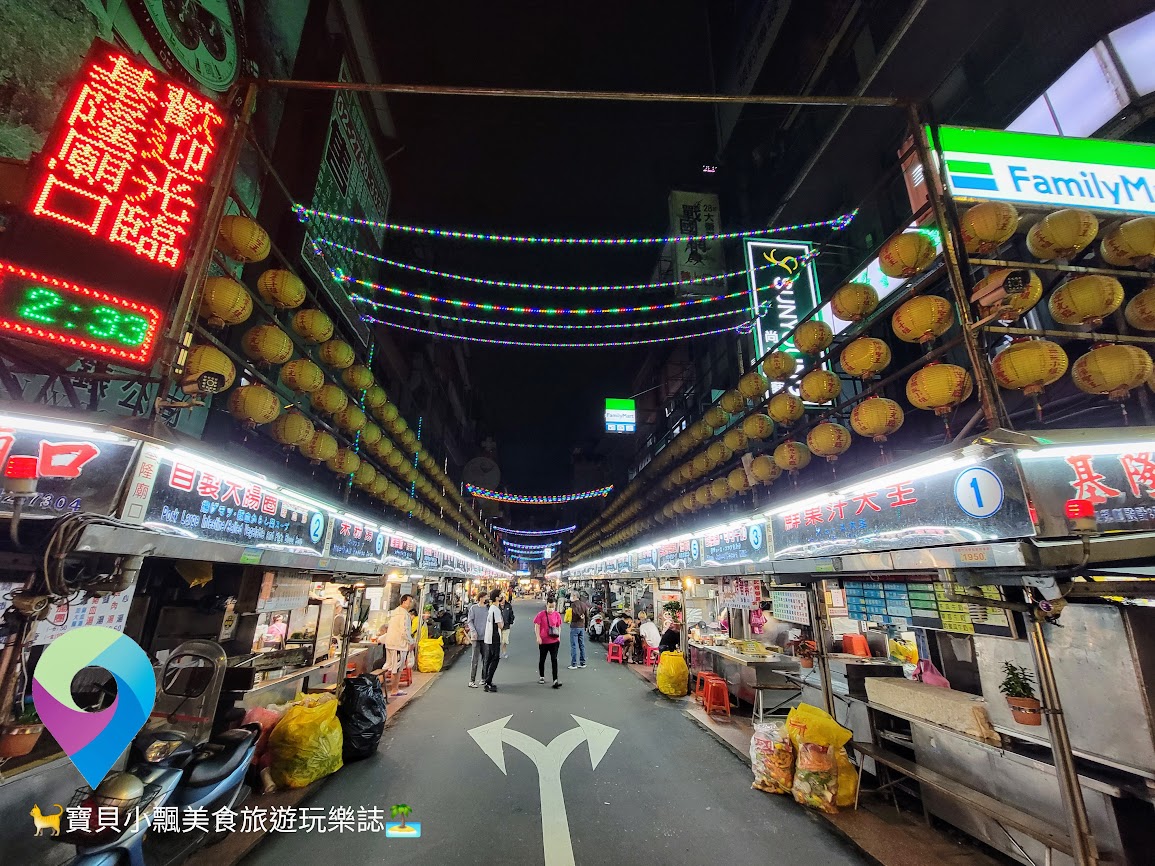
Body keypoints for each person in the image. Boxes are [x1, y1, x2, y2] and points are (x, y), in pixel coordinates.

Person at [384, 594, 416, 698]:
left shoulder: (395, 613)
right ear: (403, 602)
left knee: (388, 667)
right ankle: (394, 689)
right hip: (398, 645)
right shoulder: (403, 615)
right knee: (396, 668)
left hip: (390, 643)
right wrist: (411, 642)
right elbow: (404, 631)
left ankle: (374, 685)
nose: (411, 603)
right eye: (410, 601)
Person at [533, 597, 564, 688]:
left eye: (553, 607)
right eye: (550, 607)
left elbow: (558, 626)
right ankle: (541, 676)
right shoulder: (541, 614)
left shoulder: (557, 615)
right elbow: (537, 626)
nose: (551, 609)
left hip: (554, 641)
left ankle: (555, 679)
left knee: (554, 659)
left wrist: (559, 637)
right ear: (546, 605)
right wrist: (538, 637)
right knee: (542, 659)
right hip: (543, 641)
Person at [481, 588, 505, 692]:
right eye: (500, 595)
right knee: (495, 659)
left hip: (489, 636)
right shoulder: (496, 609)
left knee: (489, 659)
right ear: (497, 598)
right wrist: (503, 622)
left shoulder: (491, 608)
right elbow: (500, 625)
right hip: (494, 636)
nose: (502, 596)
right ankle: (488, 681)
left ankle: (487, 681)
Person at [467, 590, 489, 688]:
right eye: (485, 597)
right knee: (474, 659)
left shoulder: (488, 609)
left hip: (486, 637)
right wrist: (473, 631)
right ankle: (472, 680)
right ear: (481, 598)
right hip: (476, 637)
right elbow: (470, 621)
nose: (487, 599)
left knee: (485, 658)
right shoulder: (474, 608)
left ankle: (483, 678)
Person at [567, 592, 590, 669]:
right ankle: (582, 663)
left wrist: (579, 616)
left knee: (574, 645)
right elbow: (587, 615)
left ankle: (574, 664)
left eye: (572, 595)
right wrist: (586, 626)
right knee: (581, 645)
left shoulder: (574, 604)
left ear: (574, 596)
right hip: (581, 627)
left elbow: (575, 612)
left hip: (574, 626)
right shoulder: (583, 604)